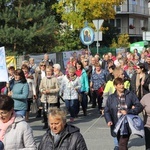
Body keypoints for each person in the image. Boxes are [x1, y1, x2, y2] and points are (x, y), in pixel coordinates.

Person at [104, 77, 143, 150]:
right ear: (115, 86)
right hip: (116, 124)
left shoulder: (130, 94)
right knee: (121, 143)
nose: (122, 86)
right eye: (119, 84)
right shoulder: (111, 97)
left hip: (126, 124)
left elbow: (139, 106)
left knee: (122, 144)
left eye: (122, 84)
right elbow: (107, 111)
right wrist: (109, 120)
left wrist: (128, 111)